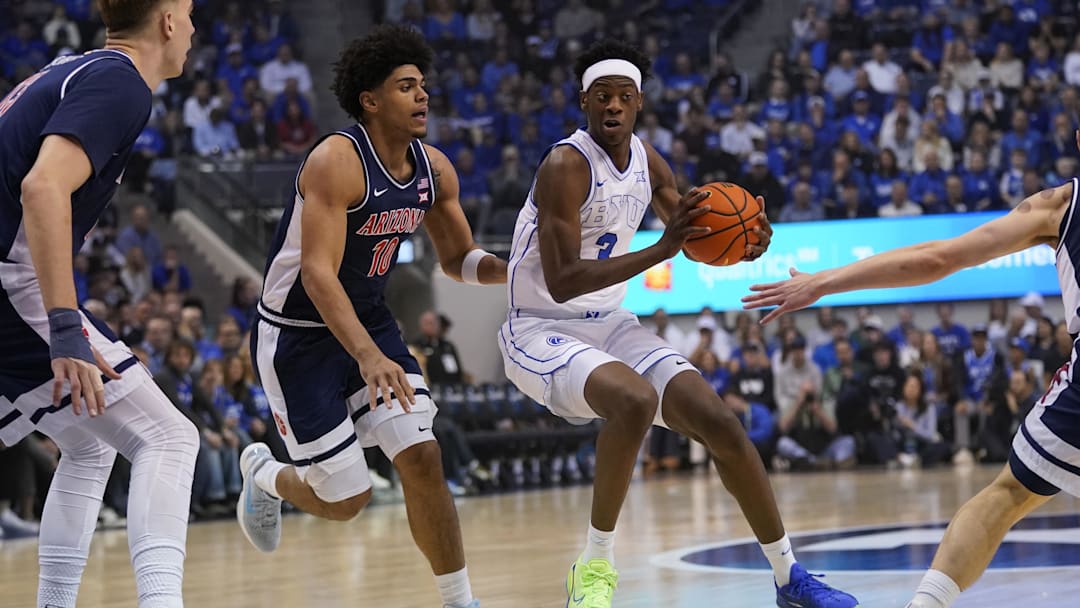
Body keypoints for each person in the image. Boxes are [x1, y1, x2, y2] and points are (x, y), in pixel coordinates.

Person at [498, 39, 857, 608]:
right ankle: (593, 568)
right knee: (635, 400)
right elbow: (565, 279)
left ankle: (790, 578)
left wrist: (749, 241)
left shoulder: (649, 160)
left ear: (639, 103)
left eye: (623, 97)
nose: (612, 107)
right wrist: (661, 249)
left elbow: (692, 232)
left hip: (611, 322)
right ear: (583, 102)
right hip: (539, 328)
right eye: (601, 97)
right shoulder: (564, 164)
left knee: (720, 421)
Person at [742, 130, 1080, 608]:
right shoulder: (1058, 207)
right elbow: (935, 258)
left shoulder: (1059, 205)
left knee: (1007, 496)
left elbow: (938, 259)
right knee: (1008, 494)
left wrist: (825, 282)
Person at [239, 25, 504, 608]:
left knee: (423, 455)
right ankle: (264, 475)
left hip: (369, 323)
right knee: (347, 499)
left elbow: (459, 260)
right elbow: (316, 274)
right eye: (406, 86)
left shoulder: (433, 169)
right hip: (298, 338)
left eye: (423, 86)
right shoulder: (336, 160)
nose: (422, 97)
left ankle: (460, 601)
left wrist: (513, 270)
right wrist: (367, 356)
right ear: (371, 100)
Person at [0, 2, 199, 607]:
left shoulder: (77, 69)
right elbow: (42, 186)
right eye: (189, 13)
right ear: (166, 21)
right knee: (168, 438)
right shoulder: (119, 81)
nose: (192, 29)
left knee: (88, 442)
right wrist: (65, 327)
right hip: (11, 281)